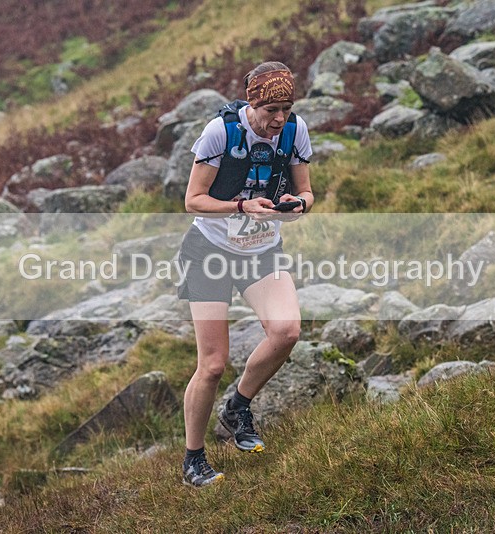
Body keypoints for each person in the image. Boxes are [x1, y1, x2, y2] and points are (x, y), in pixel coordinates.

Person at [178, 61, 313, 487]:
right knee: (213, 364)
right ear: (252, 103)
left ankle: (238, 406)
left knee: (287, 330)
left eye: (286, 109)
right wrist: (240, 206)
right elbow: (193, 200)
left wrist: (298, 206)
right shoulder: (220, 133)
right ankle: (193, 460)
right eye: (271, 109)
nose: (279, 119)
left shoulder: (295, 132)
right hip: (210, 252)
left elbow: (307, 191)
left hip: (261, 249)